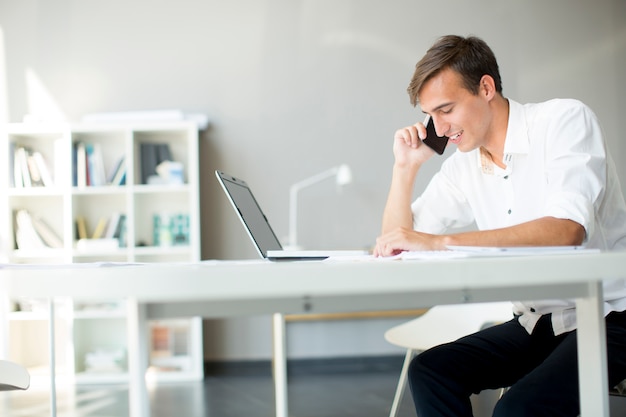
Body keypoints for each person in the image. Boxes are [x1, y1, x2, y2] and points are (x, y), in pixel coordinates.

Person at [373, 35, 626, 417]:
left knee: (516, 409)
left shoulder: (564, 121)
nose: (439, 129)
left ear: (486, 87)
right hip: (539, 323)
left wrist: (439, 242)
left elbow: (566, 230)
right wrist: (404, 168)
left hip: (610, 317)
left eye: (446, 109)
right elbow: (398, 244)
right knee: (430, 371)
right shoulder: (463, 165)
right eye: (431, 115)